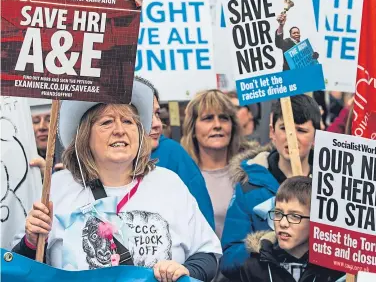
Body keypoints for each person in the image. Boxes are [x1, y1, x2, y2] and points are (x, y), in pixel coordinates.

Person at [12, 79, 221, 282]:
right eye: (107, 122)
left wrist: (185, 270)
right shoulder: (57, 187)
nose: (120, 130)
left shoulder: (169, 184)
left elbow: (207, 255)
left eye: (128, 121)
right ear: (85, 136)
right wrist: (32, 241)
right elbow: (21, 268)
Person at [220, 94, 321, 281]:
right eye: (284, 128)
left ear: (316, 136)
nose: (292, 137)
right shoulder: (249, 185)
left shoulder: (329, 188)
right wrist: (264, 244)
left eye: (301, 130)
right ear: (272, 132)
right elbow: (228, 259)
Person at [135, 76, 215, 230]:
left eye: (157, 114)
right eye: (145, 115)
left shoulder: (174, 154)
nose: (158, 124)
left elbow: (202, 229)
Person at [240, 177, 345, 282]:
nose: (283, 223)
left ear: (316, 221)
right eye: (278, 213)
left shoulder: (334, 271)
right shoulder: (254, 267)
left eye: (295, 216)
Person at [181, 89, 254, 240]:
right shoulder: (181, 175)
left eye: (223, 118)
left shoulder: (253, 171)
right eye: (208, 118)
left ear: (232, 126)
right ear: (193, 128)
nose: (217, 125)